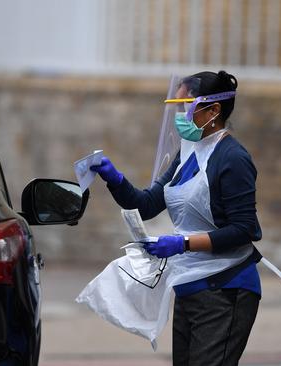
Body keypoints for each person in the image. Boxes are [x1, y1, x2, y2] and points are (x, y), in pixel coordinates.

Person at [91, 70, 263, 365]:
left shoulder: (233, 158)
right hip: (189, 287)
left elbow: (244, 229)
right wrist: (114, 178)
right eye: (179, 105)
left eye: (188, 105)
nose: (181, 114)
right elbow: (146, 205)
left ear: (213, 110)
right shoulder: (188, 154)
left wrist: (182, 244)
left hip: (225, 287)